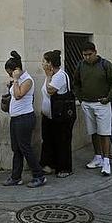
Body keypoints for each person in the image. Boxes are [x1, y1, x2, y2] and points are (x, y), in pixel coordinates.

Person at [2, 51, 46, 188]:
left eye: (10, 72)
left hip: (25, 118)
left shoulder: (27, 80)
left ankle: (39, 175)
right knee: (16, 148)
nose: (9, 75)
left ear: (16, 70)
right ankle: (16, 176)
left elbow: (18, 95)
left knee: (25, 148)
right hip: (15, 118)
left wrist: (15, 80)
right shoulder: (19, 80)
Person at [73, 42, 112, 176]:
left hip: (102, 103)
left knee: (104, 133)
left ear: (95, 52)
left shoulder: (105, 65)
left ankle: (106, 160)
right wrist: (80, 99)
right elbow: (76, 83)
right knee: (93, 132)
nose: (87, 57)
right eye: (84, 55)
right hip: (87, 103)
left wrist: (108, 98)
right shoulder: (80, 65)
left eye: (89, 54)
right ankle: (98, 156)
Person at [39, 50, 75, 179]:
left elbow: (50, 91)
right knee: (48, 140)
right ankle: (48, 165)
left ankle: (64, 167)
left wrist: (48, 76)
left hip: (61, 116)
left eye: (44, 61)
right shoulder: (51, 75)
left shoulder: (59, 75)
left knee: (62, 141)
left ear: (50, 63)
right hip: (49, 116)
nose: (42, 64)